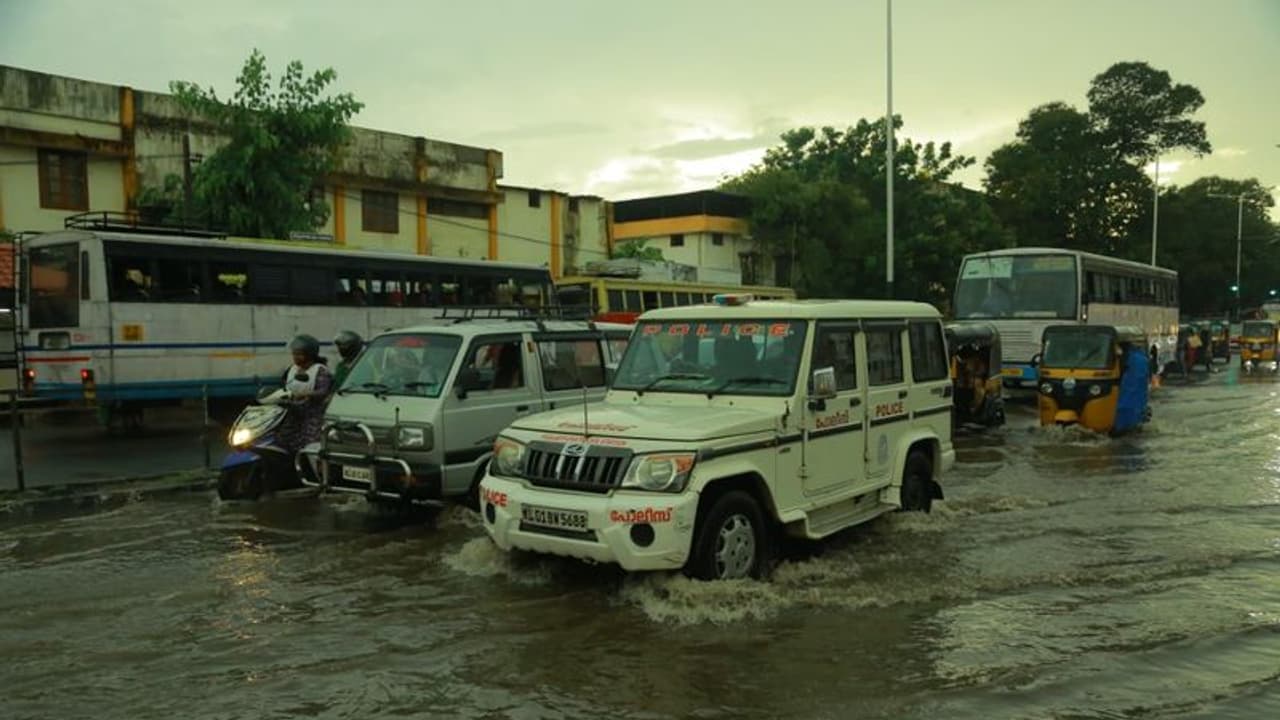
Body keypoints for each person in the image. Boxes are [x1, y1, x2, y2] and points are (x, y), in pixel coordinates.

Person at [277, 334, 331, 453]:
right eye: (294, 354)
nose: (295, 357)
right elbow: (283, 386)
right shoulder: (292, 369)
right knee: (282, 440)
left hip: (312, 415)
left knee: (310, 446)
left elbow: (323, 391)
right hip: (293, 412)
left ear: (309, 354)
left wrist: (307, 394)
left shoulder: (320, 370)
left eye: (299, 354)